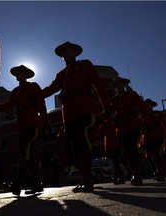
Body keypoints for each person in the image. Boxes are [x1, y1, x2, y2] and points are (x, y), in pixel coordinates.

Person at [42, 41, 113, 193]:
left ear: (75, 52)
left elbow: (98, 84)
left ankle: (88, 179)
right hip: (68, 114)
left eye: (69, 51)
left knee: (82, 141)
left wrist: (107, 106)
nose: (66, 54)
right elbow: (50, 89)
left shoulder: (85, 65)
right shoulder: (61, 74)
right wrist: (34, 95)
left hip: (84, 108)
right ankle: (84, 177)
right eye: (63, 53)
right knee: (73, 147)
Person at [0, 65, 50, 196]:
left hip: (32, 124)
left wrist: (46, 122)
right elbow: (7, 105)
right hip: (21, 126)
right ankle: (37, 184)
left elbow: (41, 104)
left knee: (24, 154)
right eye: (16, 74)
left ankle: (17, 184)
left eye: (20, 73)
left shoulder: (34, 86)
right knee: (28, 156)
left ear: (25, 74)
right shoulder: (15, 91)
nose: (17, 76)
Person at [109, 77, 146, 186]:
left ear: (124, 84)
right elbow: (109, 113)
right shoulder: (113, 100)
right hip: (120, 129)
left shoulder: (132, 95)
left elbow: (142, 107)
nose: (118, 86)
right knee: (127, 152)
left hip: (133, 126)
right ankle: (135, 172)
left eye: (119, 84)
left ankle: (137, 174)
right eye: (116, 85)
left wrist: (142, 120)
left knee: (132, 149)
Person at [142, 99, 166, 182]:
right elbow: (139, 125)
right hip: (147, 138)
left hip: (158, 137)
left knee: (157, 154)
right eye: (146, 104)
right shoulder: (142, 115)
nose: (148, 106)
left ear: (152, 105)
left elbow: (164, 123)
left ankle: (160, 173)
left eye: (149, 104)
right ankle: (156, 172)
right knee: (151, 157)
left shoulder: (157, 113)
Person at [98, 118, 125, 185]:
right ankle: (119, 177)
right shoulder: (109, 122)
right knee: (116, 162)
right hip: (114, 144)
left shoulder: (107, 123)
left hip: (112, 145)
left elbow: (100, 132)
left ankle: (117, 177)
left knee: (116, 162)